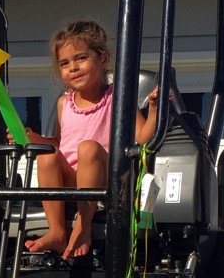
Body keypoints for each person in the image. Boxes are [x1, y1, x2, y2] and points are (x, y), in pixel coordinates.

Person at [20, 20, 159, 259]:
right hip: (72, 180)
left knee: (88, 149)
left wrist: (155, 110)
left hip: (106, 179)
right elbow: (60, 145)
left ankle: (83, 227)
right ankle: (57, 231)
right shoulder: (65, 103)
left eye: (81, 58)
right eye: (65, 63)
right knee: (46, 154)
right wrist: (34, 138)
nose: (72, 67)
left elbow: (142, 137)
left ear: (102, 59)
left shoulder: (118, 97)